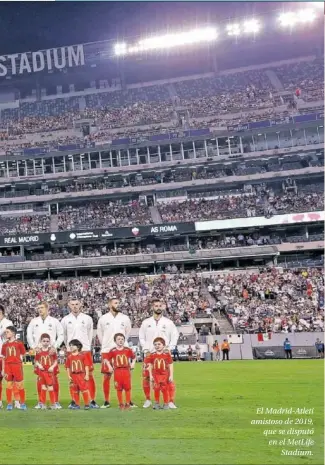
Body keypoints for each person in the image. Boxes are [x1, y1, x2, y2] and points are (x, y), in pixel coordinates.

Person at [139, 299, 179, 409]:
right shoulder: (146, 322)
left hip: (164, 354)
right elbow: (141, 337)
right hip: (149, 354)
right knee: (146, 377)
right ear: (152, 307)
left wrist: (170, 348)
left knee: (168, 378)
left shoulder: (168, 322)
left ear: (163, 307)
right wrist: (146, 349)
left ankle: (170, 401)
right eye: (156, 305)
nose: (158, 307)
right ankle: (148, 399)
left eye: (160, 306)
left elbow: (175, 336)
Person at [61, 298, 99, 409]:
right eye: (72, 304)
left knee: (89, 375)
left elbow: (90, 333)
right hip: (71, 350)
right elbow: (64, 336)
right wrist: (70, 347)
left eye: (77, 304)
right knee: (72, 377)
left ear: (80, 304)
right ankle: (74, 400)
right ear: (69, 305)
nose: (75, 306)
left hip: (85, 349)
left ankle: (91, 400)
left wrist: (85, 346)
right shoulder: (65, 319)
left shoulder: (87, 318)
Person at [27, 301, 64, 410]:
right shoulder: (34, 321)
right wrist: (34, 347)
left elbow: (61, 334)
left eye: (42, 307)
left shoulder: (54, 321)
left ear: (47, 308)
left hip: (51, 353)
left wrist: (55, 346)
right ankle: (41, 402)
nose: (40, 309)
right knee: (40, 378)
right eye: (38, 308)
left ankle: (55, 401)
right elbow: (29, 335)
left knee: (54, 378)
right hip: (39, 352)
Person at [97, 296, 132, 409]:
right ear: (109, 305)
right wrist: (107, 346)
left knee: (126, 375)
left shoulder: (125, 318)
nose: (118, 305)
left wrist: (120, 345)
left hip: (122, 350)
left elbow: (127, 333)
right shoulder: (103, 318)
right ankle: (107, 401)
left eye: (118, 303)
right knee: (107, 376)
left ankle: (128, 400)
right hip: (107, 350)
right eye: (115, 303)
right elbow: (100, 334)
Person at [105, 333, 136, 410]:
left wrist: (133, 363)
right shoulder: (113, 350)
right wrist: (109, 366)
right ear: (115, 341)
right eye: (118, 339)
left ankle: (128, 404)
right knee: (119, 388)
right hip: (117, 372)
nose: (120, 341)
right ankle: (121, 404)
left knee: (127, 388)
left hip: (126, 371)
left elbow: (134, 357)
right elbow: (106, 359)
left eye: (122, 339)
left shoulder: (127, 350)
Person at [1, 326, 27, 411]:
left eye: (7, 332)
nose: (6, 334)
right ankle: (9, 404)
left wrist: (18, 362)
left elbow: (23, 354)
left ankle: (22, 403)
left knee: (20, 385)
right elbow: (4, 358)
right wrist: (3, 370)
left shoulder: (19, 343)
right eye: (5, 332)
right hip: (8, 367)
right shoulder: (4, 344)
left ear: (13, 333)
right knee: (9, 385)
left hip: (17, 366)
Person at [146, 337, 174, 410]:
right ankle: (157, 403)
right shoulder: (152, 355)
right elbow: (150, 365)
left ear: (163, 345)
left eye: (159, 344)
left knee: (165, 389)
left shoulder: (167, 355)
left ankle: (166, 403)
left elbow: (170, 364)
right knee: (156, 389)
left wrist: (171, 375)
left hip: (165, 375)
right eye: (155, 344)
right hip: (156, 375)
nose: (157, 346)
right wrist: (151, 375)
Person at [34, 333, 59, 410]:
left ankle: (53, 404)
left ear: (49, 342)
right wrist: (39, 365)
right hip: (42, 372)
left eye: (47, 341)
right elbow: (36, 361)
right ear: (41, 341)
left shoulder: (52, 351)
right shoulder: (38, 351)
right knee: (43, 387)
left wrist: (52, 367)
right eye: (44, 341)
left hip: (49, 372)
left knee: (50, 387)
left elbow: (55, 361)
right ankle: (43, 404)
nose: (45, 342)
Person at [65, 339, 91, 410]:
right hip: (73, 376)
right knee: (75, 390)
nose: (71, 347)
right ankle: (77, 404)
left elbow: (86, 366)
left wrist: (87, 375)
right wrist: (69, 376)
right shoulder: (69, 357)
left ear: (78, 347)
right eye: (70, 345)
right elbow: (67, 367)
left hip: (81, 375)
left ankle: (86, 404)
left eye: (73, 345)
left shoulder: (82, 355)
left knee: (84, 389)